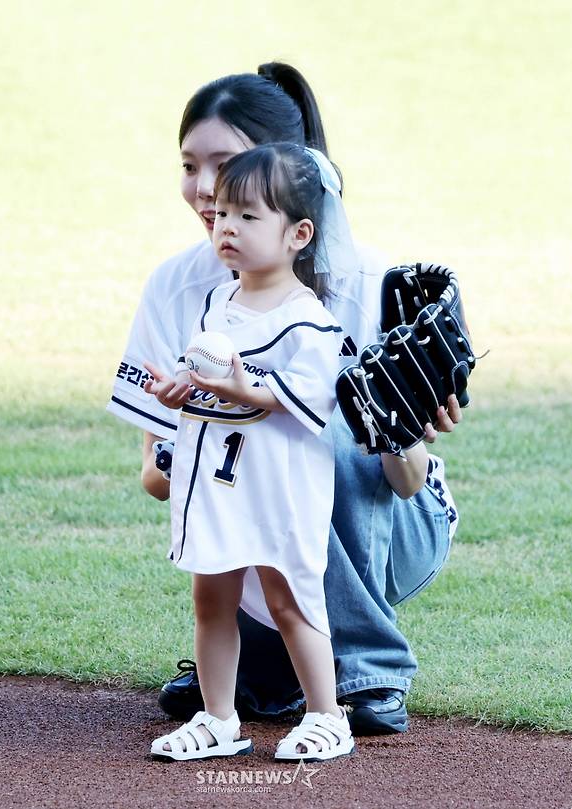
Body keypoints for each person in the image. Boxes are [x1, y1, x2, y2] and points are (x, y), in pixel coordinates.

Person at [107, 62, 461, 736]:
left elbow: (403, 478)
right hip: (249, 510)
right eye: (189, 165)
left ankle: (366, 668)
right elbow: (157, 477)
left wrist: (401, 423)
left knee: (317, 429)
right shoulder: (178, 288)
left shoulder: (368, 283)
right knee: (249, 452)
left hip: (392, 526)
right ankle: (263, 675)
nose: (206, 190)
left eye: (228, 166)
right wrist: (199, 419)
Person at [145, 142, 359, 762]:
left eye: (248, 216)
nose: (227, 227)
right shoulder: (218, 303)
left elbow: (302, 400)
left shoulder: (309, 319)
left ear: (299, 234)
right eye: (223, 214)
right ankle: (218, 719)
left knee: (289, 597)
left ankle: (327, 715)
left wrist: (241, 385)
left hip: (277, 488)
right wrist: (177, 388)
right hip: (215, 482)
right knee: (210, 598)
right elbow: (201, 376)